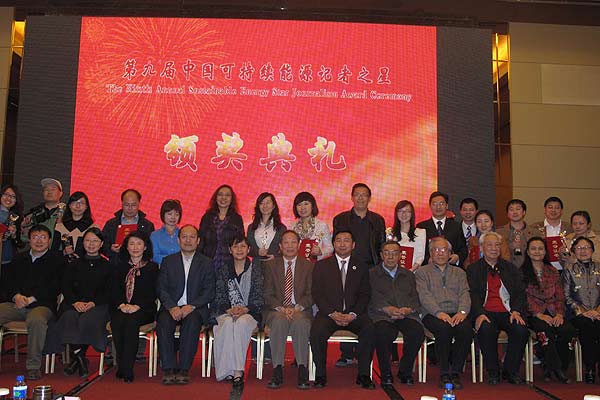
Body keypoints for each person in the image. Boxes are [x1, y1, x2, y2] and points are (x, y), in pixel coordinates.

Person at [309, 230, 375, 389]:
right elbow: (317, 293)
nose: (342, 244)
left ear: (353, 245)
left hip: (354, 315)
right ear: (333, 244)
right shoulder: (321, 265)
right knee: (316, 331)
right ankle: (320, 374)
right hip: (329, 314)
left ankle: (364, 374)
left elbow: (365, 294)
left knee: (370, 329)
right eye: (339, 240)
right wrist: (332, 313)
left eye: (346, 240)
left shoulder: (361, 266)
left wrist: (353, 314)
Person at [44, 227, 111, 377]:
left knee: (89, 319)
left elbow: (109, 290)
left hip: (98, 305)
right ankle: (80, 358)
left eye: (95, 241)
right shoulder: (74, 263)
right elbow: (65, 286)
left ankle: (77, 358)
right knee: (69, 317)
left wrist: (93, 303)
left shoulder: (108, 265)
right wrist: (75, 302)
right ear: (83, 243)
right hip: (73, 303)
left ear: (101, 244)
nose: (91, 244)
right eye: (88, 240)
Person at [0, 224, 63, 380]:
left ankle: (33, 366)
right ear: (29, 239)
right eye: (35, 237)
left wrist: (31, 298)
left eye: (43, 237)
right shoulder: (19, 258)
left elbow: (56, 285)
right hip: (16, 304)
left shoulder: (57, 260)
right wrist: (16, 296)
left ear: (49, 240)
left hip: (42, 305)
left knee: (36, 320)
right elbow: (7, 282)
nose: (39, 241)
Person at [332, 183, 384, 367]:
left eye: (364, 195)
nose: (360, 198)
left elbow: (381, 246)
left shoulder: (377, 220)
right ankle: (346, 353)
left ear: (370, 198)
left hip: (370, 269)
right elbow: (337, 244)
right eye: (357, 195)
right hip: (346, 266)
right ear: (352, 197)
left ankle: (364, 354)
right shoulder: (341, 219)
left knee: (365, 310)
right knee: (345, 305)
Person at [467, 232, 529, 385]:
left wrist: (516, 310)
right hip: (485, 311)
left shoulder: (510, 268)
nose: (494, 248)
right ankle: (493, 371)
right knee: (486, 328)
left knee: (521, 330)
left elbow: (520, 292)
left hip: (508, 311)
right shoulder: (473, 269)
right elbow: (472, 295)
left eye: (497, 245)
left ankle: (510, 370)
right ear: (481, 247)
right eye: (489, 245)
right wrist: (479, 313)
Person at [157, 225, 215, 385]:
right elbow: (161, 288)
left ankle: (183, 369)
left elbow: (209, 291)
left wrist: (192, 306)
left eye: (192, 237)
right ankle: (168, 369)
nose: (188, 240)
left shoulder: (206, 263)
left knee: (192, 322)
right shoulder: (168, 261)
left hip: (194, 309)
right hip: (171, 308)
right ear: (178, 240)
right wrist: (172, 306)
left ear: (198, 241)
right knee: (163, 322)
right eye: (184, 237)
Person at [415, 237, 472, 389]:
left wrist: (462, 312)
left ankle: (456, 372)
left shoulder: (460, 273)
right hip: (432, 314)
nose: (440, 253)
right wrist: (439, 312)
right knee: (444, 329)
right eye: (436, 250)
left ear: (450, 253)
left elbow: (465, 294)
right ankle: (444, 372)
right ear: (431, 254)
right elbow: (424, 296)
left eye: (444, 250)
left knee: (465, 329)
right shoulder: (421, 273)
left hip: (456, 312)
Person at [263, 230, 313, 390]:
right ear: (280, 246)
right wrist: (281, 308)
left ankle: (302, 368)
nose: (290, 246)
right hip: (276, 309)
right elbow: (267, 293)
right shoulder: (271, 265)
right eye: (286, 242)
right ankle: (277, 368)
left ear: (299, 245)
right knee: (278, 320)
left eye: (293, 242)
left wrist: (297, 307)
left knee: (301, 323)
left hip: (300, 309)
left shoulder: (309, 266)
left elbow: (312, 294)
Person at [371, 241, 424, 386]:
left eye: (394, 253)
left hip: (405, 314)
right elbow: (369, 296)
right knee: (382, 332)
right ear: (381, 255)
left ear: (400, 256)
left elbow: (415, 298)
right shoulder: (371, 274)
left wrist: (408, 309)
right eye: (387, 253)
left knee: (417, 332)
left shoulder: (408, 275)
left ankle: (405, 371)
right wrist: (385, 308)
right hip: (382, 314)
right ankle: (386, 373)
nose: (390, 256)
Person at [522, 237, 575, 384]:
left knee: (568, 330)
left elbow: (560, 295)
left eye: (540, 248)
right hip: (534, 314)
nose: (537, 252)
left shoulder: (552, 271)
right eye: (533, 248)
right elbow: (524, 298)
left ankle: (558, 366)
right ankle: (555, 369)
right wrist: (538, 314)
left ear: (545, 252)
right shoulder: (521, 272)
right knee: (545, 330)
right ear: (528, 251)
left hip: (554, 311)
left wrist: (559, 314)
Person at [212, 235, 263, 386]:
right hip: (226, 311)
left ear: (248, 249)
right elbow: (219, 293)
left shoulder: (256, 268)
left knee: (241, 324)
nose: (239, 250)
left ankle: (238, 370)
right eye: (235, 246)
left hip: (249, 312)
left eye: (242, 246)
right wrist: (228, 309)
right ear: (230, 250)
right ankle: (225, 370)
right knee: (227, 324)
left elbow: (259, 295)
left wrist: (246, 309)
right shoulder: (223, 269)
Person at [110, 231, 159, 383]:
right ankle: (122, 363)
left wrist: (137, 306)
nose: (135, 247)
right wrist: (121, 305)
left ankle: (128, 368)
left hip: (144, 309)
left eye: (139, 243)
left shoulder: (152, 268)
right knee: (117, 321)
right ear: (126, 247)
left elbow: (153, 292)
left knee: (131, 322)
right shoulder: (120, 266)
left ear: (145, 247)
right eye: (131, 243)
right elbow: (113, 289)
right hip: (122, 307)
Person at [562, 236, 600, 383]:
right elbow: (566, 296)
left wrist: (597, 311)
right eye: (579, 248)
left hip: (598, 312)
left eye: (586, 248)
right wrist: (583, 312)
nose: (583, 251)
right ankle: (590, 368)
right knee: (588, 327)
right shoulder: (569, 271)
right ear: (573, 251)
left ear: (592, 250)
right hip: (577, 314)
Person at [199, 184, 244, 270]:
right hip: (208, 263)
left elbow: (239, 242)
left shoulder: (236, 219)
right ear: (216, 198)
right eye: (220, 195)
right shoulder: (207, 217)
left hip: (229, 265)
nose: (223, 198)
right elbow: (201, 241)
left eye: (227, 195)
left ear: (231, 199)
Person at [417, 191, 467, 266]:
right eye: (434, 204)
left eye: (441, 203)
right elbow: (418, 250)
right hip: (429, 270)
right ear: (430, 206)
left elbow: (463, 248)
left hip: (451, 268)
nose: (438, 207)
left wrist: (457, 257)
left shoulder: (456, 226)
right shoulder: (421, 227)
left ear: (447, 206)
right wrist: (427, 260)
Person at [102, 189, 155, 259]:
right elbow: (102, 245)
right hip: (116, 265)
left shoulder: (147, 225)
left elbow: (151, 249)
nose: (130, 208)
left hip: (139, 265)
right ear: (122, 203)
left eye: (133, 205)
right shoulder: (111, 224)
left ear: (139, 203)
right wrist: (111, 249)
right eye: (126, 204)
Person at [527, 196, 572, 271]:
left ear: (561, 211)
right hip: (542, 269)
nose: (553, 210)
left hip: (566, 268)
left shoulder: (570, 228)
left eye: (557, 208)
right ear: (545, 210)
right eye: (550, 207)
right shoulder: (534, 228)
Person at [289, 192, 332, 262]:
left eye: (306, 204)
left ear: (312, 206)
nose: (303, 208)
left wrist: (320, 252)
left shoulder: (322, 226)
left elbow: (330, 248)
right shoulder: (292, 227)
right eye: (299, 205)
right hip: (297, 266)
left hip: (316, 266)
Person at [21, 178, 64, 244]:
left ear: (61, 193)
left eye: (53, 189)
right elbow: (24, 238)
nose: (49, 192)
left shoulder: (67, 213)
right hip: (38, 251)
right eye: (46, 189)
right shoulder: (33, 214)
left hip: (59, 252)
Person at [53, 191, 95, 258]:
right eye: (74, 203)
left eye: (81, 203)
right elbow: (54, 251)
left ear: (86, 206)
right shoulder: (60, 227)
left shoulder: (93, 228)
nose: (78, 206)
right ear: (69, 206)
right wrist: (64, 252)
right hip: (64, 265)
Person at [247, 192, 286, 263]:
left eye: (268, 202)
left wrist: (275, 256)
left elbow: (285, 249)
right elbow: (247, 249)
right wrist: (257, 251)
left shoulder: (281, 228)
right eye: (261, 203)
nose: (265, 206)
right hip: (257, 266)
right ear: (258, 206)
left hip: (275, 266)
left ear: (273, 206)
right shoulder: (251, 228)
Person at [391, 200, 426, 270]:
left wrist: (410, 271)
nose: (404, 214)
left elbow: (420, 257)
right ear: (396, 213)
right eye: (400, 211)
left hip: (412, 274)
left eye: (407, 211)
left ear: (412, 214)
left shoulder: (420, 233)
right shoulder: (390, 233)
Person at [497, 199, 530, 267]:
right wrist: (511, 246)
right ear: (508, 214)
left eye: (518, 209)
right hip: (506, 269)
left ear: (524, 212)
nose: (514, 212)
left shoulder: (535, 232)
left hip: (529, 271)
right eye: (511, 209)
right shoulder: (499, 233)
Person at [150, 199, 182, 265]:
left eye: (176, 214)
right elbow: (155, 256)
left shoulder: (183, 235)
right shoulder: (154, 235)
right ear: (163, 215)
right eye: (169, 214)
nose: (173, 217)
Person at [0, 184, 24, 267]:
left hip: (7, 259)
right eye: (6, 194)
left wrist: (14, 235)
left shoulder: (14, 216)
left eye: (13, 196)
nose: (9, 198)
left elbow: (19, 243)